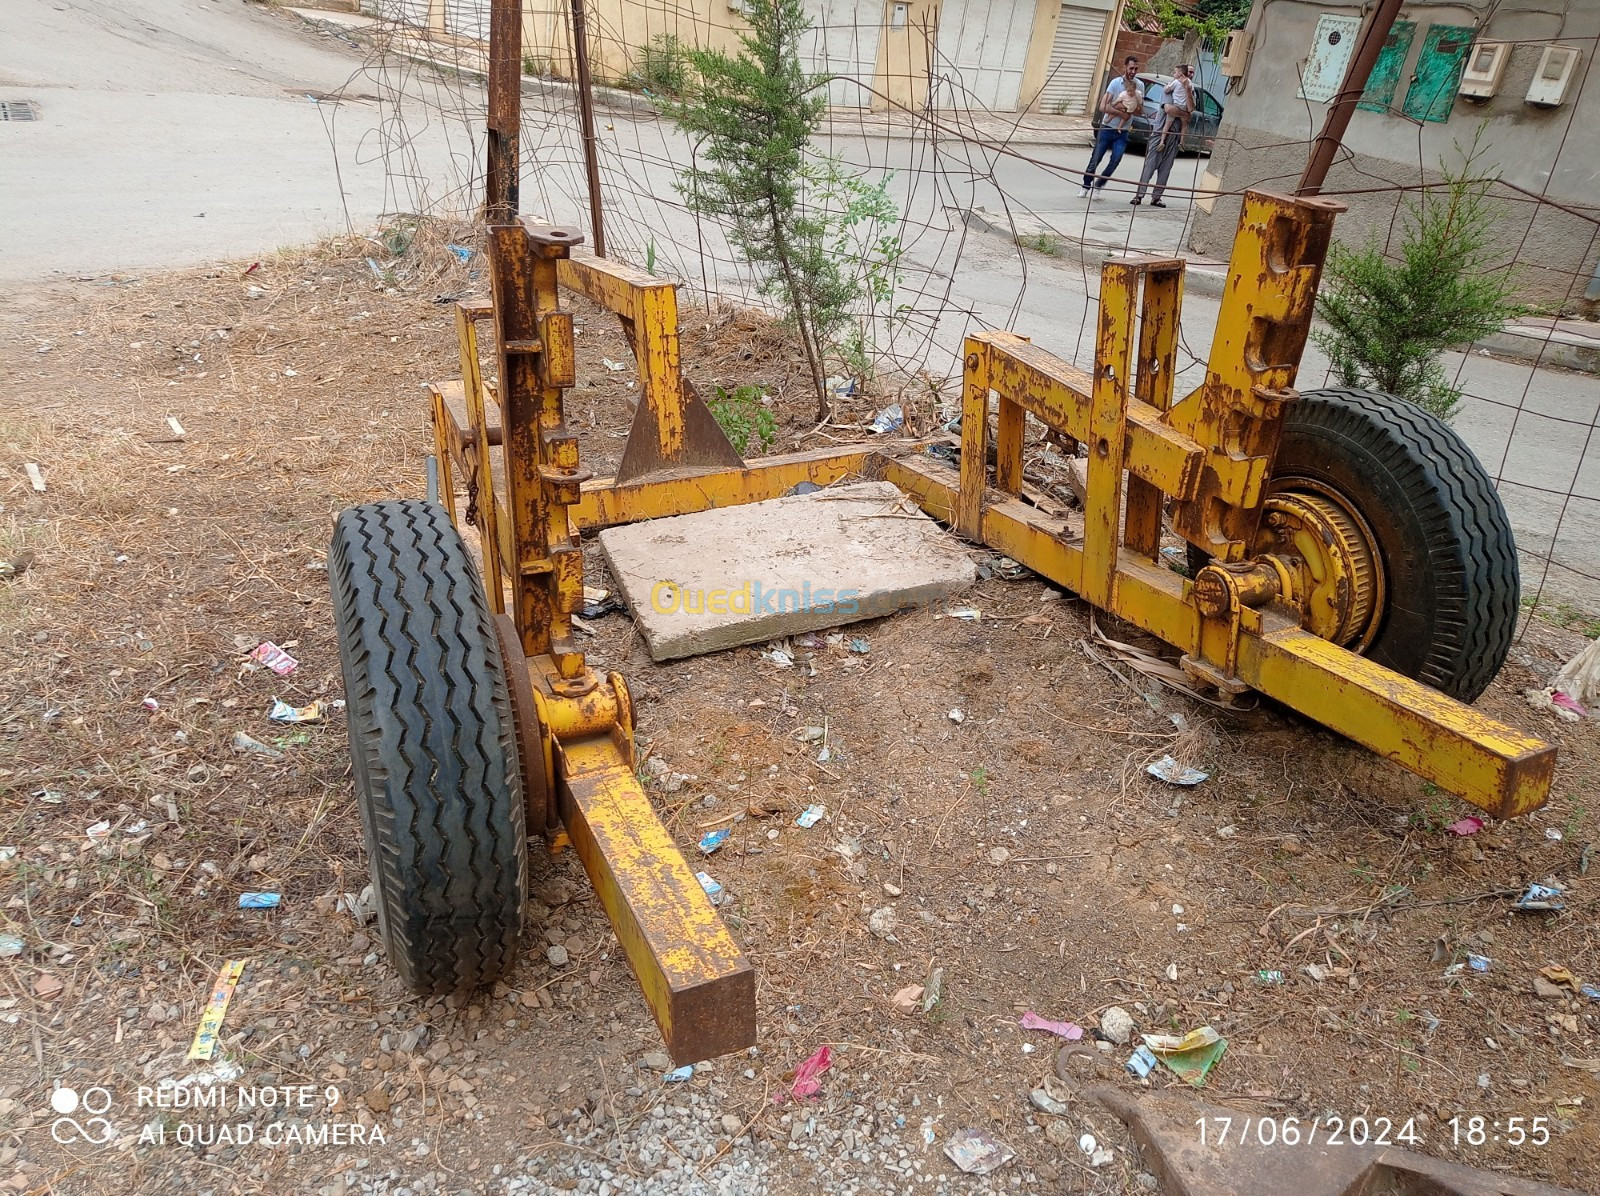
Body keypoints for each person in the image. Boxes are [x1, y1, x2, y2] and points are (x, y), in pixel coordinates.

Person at [1079, 57, 1144, 199]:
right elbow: (1103, 106)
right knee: (1096, 158)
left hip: (1123, 131)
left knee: (1116, 159)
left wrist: (1134, 106)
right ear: (1125, 67)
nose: (1133, 71)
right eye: (1131, 68)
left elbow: (1140, 110)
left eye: (1136, 69)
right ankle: (1086, 186)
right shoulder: (1115, 83)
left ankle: (1099, 184)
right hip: (1107, 128)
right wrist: (1121, 112)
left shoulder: (1139, 86)